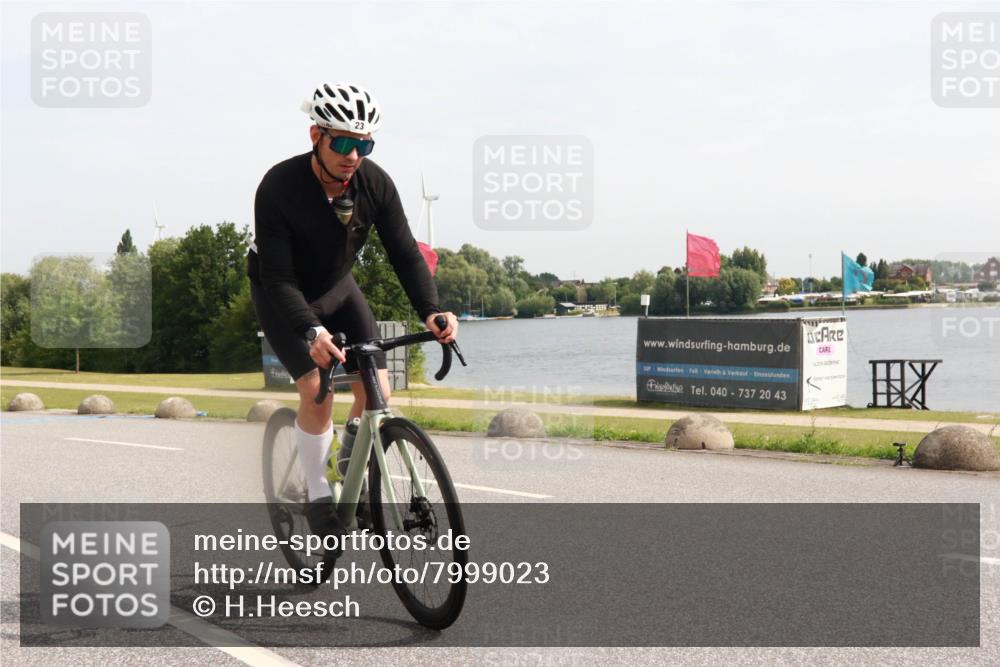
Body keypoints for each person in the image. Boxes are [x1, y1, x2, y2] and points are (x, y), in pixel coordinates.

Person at [248, 82, 458, 542]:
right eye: (342, 141)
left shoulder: (374, 183)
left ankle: (350, 461)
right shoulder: (279, 186)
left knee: (378, 388)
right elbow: (280, 279)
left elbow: (405, 252)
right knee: (316, 389)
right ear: (315, 136)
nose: (353, 154)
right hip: (283, 292)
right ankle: (318, 492)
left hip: (338, 288)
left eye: (363, 144)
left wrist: (431, 311)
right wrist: (310, 331)